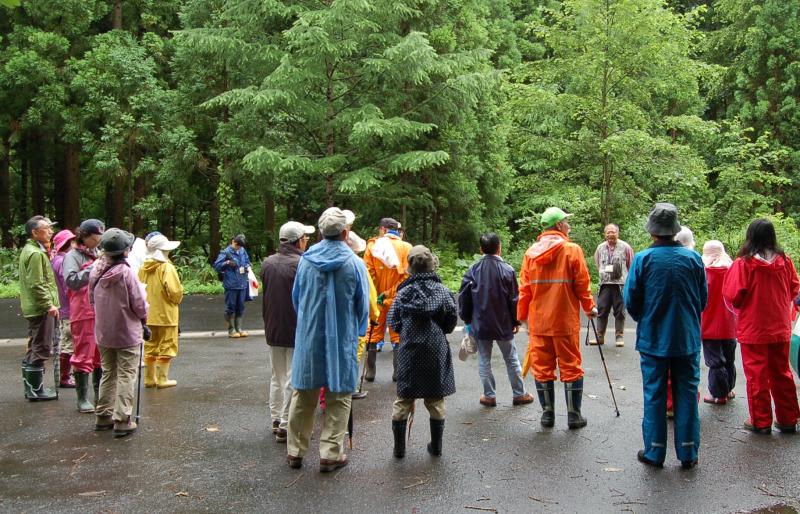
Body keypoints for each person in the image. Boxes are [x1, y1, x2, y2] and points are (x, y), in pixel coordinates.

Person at [286, 207, 369, 472]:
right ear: (345, 233)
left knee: (304, 394)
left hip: (310, 335)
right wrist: (358, 329)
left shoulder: (306, 261)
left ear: (321, 233)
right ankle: (331, 453)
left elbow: (297, 299)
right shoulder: (355, 264)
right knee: (339, 395)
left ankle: (295, 451)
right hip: (341, 336)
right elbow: (362, 307)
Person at [624, 203, 707, 469]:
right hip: (686, 338)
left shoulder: (643, 260)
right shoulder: (693, 259)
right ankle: (688, 453)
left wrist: (647, 320)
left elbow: (631, 300)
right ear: (675, 230)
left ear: (652, 232)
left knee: (655, 394)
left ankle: (654, 452)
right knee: (686, 393)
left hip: (653, 338)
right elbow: (702, 300)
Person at [517, 207, 597, 429]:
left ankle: (547, 415)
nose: (569, 226)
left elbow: (524, 289)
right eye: (566, 222)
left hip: (539, 322)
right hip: (564, 321)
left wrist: (521, 317)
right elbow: (582, 283)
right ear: (559, 226)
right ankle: (574, 416)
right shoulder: (572, 250)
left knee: (542, 368)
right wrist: (590, 307)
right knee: (571, 366)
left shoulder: (530, 253)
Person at [723, 219, 800, 434]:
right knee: (782, 373)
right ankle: (788, 418)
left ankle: (761, 421)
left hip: (754, 328)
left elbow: (733, 295)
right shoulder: (785, 261)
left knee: (757, 375)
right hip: (780, 326)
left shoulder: (743, 264)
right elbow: (795, 288)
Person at [389, 245, 458, 458]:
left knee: (404, 399)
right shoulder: (443, 292)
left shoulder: (403, 292)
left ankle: (399, 449)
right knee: (435, 400)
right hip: (435, 350)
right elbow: (450, 323)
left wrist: (407, 331)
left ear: (411, 266)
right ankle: (436, 447)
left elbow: (394, 321)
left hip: (409, 350)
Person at [459, 232, 533, 407]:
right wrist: (516, 321)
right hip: (503, 323)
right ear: (499, 248)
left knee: (484, 359)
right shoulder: (507, 270)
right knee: (511, 358)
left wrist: (468, 320)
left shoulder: (473, 270)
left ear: (481, 249)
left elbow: (464, 298)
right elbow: (515, 299)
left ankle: (489, 395)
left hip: (480, 324)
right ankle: (519, 393)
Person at [89, 229, 149, 437]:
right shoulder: (126, 273)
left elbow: (91, 299)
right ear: (126, 250)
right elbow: (139, 303)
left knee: (108, 372)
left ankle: (102, 415)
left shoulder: (96, 269)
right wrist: (144, 322)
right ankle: (122, 419)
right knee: (126, 374)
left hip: (104, 331)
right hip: (126, 331)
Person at [261, 221, 315, 443]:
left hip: (272, 327)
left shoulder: (268, 263)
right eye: (305, 238)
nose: (307, 242)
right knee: (293, 376)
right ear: (298, 240)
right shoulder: (303, 264)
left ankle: (275, 419)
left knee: (277, 375)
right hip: (296, 327)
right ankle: (285, 424)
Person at [63, 219, 105, 413]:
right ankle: (82, 399)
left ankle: (100, 396)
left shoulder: (99, 252)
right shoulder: (73, 256)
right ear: (87, 236)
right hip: (82, 311)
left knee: (100, 355)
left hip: (101, 310)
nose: (101, 238)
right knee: (83, 354)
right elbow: (71, 281)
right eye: (98, 234)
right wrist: (93, 268)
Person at [363, 217, 412, 381]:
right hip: (398, 298)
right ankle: (397, 373)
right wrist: (393, 293)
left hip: (377, 297)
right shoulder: (406, 247)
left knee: (373, 332)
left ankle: (370, 372)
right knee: (398, 334)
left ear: (383, 230)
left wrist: (377, 294)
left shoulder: (372, 246)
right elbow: (407, 275)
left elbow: (368, 274)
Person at [19, 216, 60, 401]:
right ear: (35, 232)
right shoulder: (35, 254)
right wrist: (48, 304)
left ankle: (31, 389)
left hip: (34, 307)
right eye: (46, 228)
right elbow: (36, 283)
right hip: (40, 308)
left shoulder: (32, 250)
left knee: (34, 345)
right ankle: (36, 390)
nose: (50, 232)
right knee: (41, 346)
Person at [342, 210, 380, 400]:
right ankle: (349, 388)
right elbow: (370, 295)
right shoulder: (357, 266)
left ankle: (328, 393)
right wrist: (374, 315)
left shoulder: (313, 259)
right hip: (354, 322)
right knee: (354, 353)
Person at [138, 234, 184, 389]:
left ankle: (149, 379)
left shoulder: (143, 267)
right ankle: (162, 379)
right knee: (167, 345)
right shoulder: (167, 267)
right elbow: (174, 292)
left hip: (148, 314)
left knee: (150, 345)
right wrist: (177, 300)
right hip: (166, 314)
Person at [700, 240, 737, 405]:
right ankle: (728, 389)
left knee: (715, 360)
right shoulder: (732, 269)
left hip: (709, 322)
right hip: (730, 322)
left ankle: (718, 394)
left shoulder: (705, 271)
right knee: (729, 357)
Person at [592, 224, 633, 347]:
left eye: (613, 232)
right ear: (605, 234)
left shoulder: (625, 247)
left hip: (620, 284)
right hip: (605, 284)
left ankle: (619, 336)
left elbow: (631, 264)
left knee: (620, 311)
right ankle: (600, 336)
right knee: (602, 310)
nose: (611, 234)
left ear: (618, 233)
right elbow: (597, 262)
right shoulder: (600, 248)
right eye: (608, 232)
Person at [51, 229, 77, 388]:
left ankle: (65, 375)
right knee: (68, 342)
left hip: (63, 307)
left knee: (65, 340)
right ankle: (65, 377)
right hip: (69, 308)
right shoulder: (64, 261)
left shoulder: (55, 260)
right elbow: (69, 285)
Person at [213, 234, 252, 338]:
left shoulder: (243, 251)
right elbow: (216, 266)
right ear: (233, 242)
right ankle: (231, 330)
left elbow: (247, 261)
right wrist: (227, 262)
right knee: (231, 307)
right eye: (238, 245)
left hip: (242, 283)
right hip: (231, 284)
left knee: (241, 307)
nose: (240, 247)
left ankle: (239, 328)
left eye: (241, 246)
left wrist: (247, 266)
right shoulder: (225, 252)